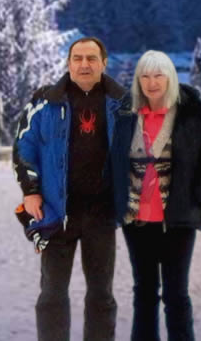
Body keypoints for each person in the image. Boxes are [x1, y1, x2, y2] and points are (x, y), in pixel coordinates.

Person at [13, 36, 129, 341]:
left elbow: (141, 154)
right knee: (51, 293)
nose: (84, 64)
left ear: (104, 63)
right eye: (77, 58)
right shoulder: (44, 102)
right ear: (68, 63)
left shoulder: (124, 105)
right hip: (56, 212)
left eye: (91, 58)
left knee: (101, 294)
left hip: (102, 215)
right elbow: (24, 146)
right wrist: (31, 190)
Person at [110, 50, 201, 341]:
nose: (152, 82)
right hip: (136, 220)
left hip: (177, 221)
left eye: (159, 75)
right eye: (145, 76)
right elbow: (112, 161)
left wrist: (195, 199)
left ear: (171, 77)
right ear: (138, 80)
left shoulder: (193, 114)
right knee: (145, 293)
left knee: (176, 294)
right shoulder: (125, 116)